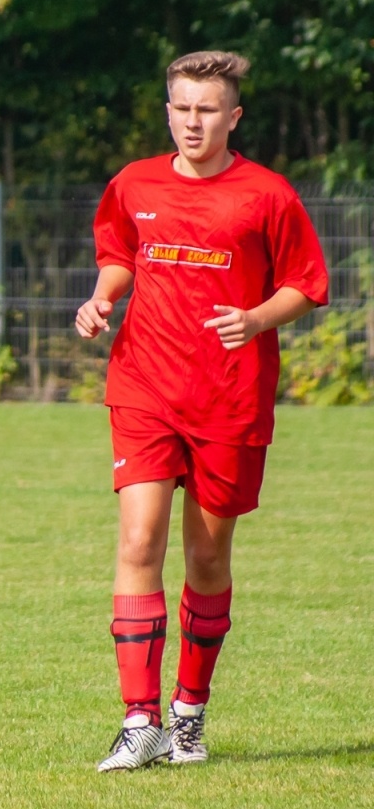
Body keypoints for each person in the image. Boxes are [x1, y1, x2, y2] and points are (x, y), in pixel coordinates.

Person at [77, 51, 328, 771]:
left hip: (229, 398)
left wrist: (254, 321)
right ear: (168, 111)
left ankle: (189, 712)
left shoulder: (268, 195)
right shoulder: (134, 183)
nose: (194, 121)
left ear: (233, 116)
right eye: (182, 108)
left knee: (208, 556)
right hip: (145, 388)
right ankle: (138, 720)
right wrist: (103, 298)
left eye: (207, 109)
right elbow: (122, 253)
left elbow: (306, 285)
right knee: (138, 541)